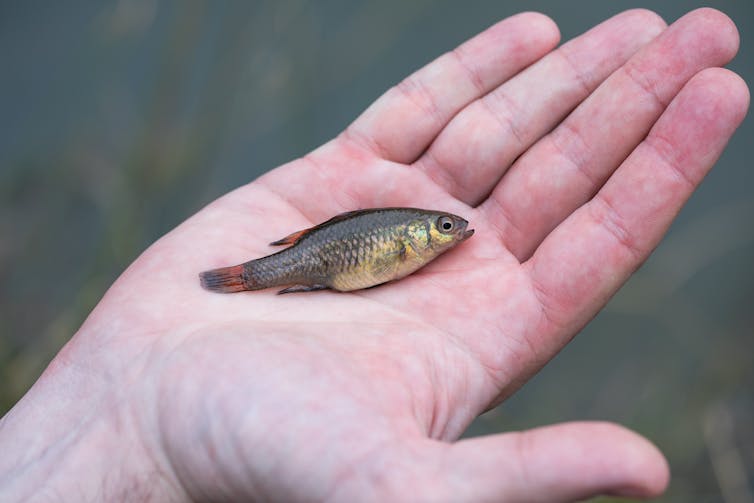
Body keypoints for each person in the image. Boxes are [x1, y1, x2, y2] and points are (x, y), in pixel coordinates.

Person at [0, 7, 748, 502]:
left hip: (312, 263)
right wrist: (123, 413)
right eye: (444, 232)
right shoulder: (402, 240)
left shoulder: (411, 243)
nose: (451, 237)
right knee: (264, 276)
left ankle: (251, 278)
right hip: (310, 262)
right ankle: (245, 279)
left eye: (445, 233)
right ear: (419, 239)